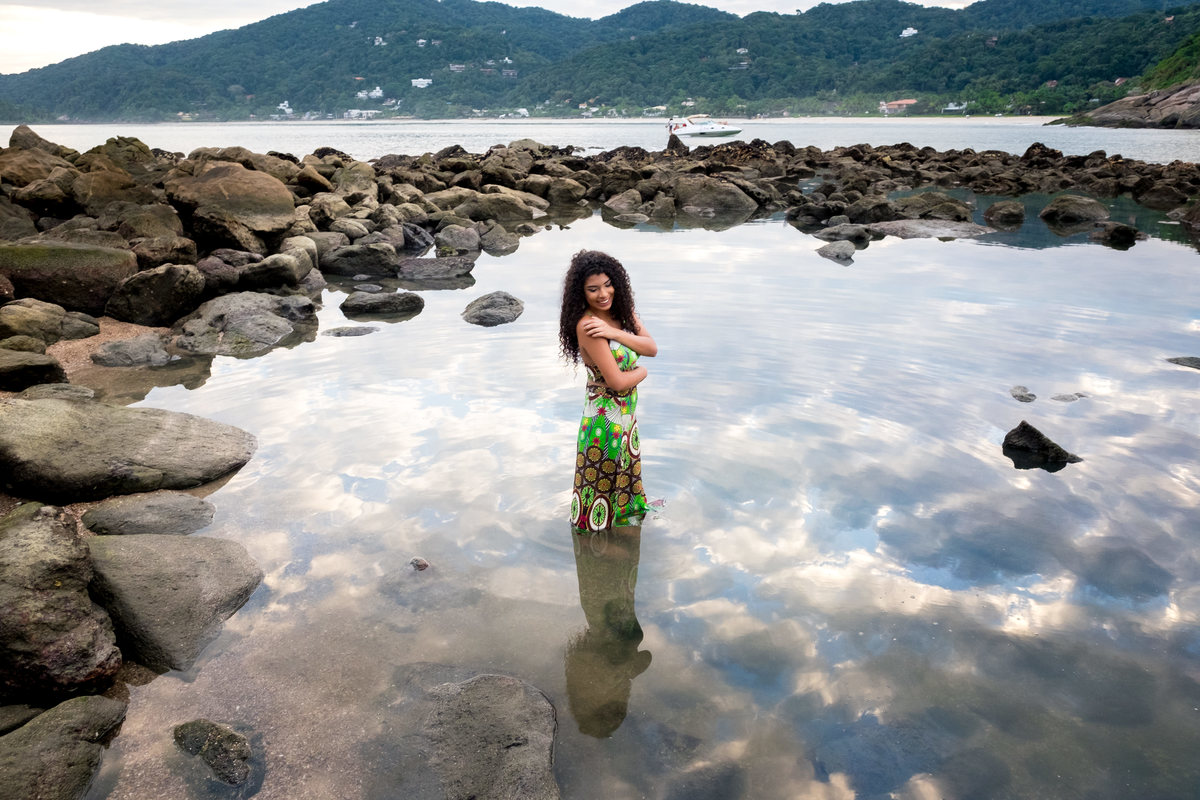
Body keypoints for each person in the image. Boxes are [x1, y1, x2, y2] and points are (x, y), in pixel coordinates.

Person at [559, 250, 657, 533]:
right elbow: (617, 382)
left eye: (607, 284)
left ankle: (621, 542)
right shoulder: (588, 326)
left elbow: (651, 347)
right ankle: (595, 551)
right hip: (604, 422)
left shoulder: (622, 315)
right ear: (582, 292)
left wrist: (614, 332)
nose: (603, 294)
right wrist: (642, 373)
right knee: (599, 487)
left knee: (623, 483)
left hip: (626, 418)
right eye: (593, 289)